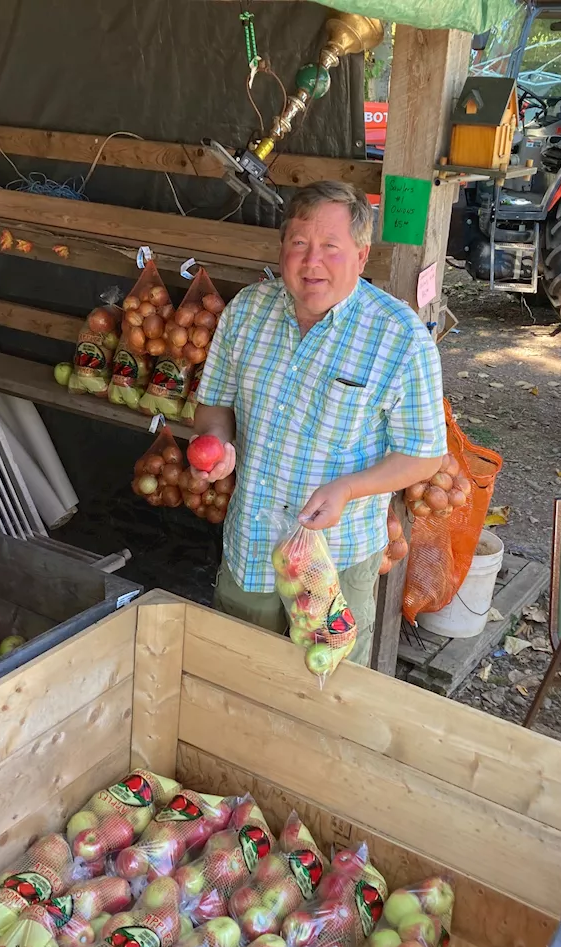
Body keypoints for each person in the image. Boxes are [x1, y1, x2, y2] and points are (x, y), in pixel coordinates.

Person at [190, 179, 447, 665]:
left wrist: (348, 489)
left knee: (326, 691)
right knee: (236, 674)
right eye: (300, 244)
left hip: (337, 557)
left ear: (361, 254)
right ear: (282, 247)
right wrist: (218, 444)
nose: (312, 262)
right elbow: (214, 405)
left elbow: (424, 453)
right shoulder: (246, 312)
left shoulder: (399, 337)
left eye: (331, 247)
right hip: (252, 545)